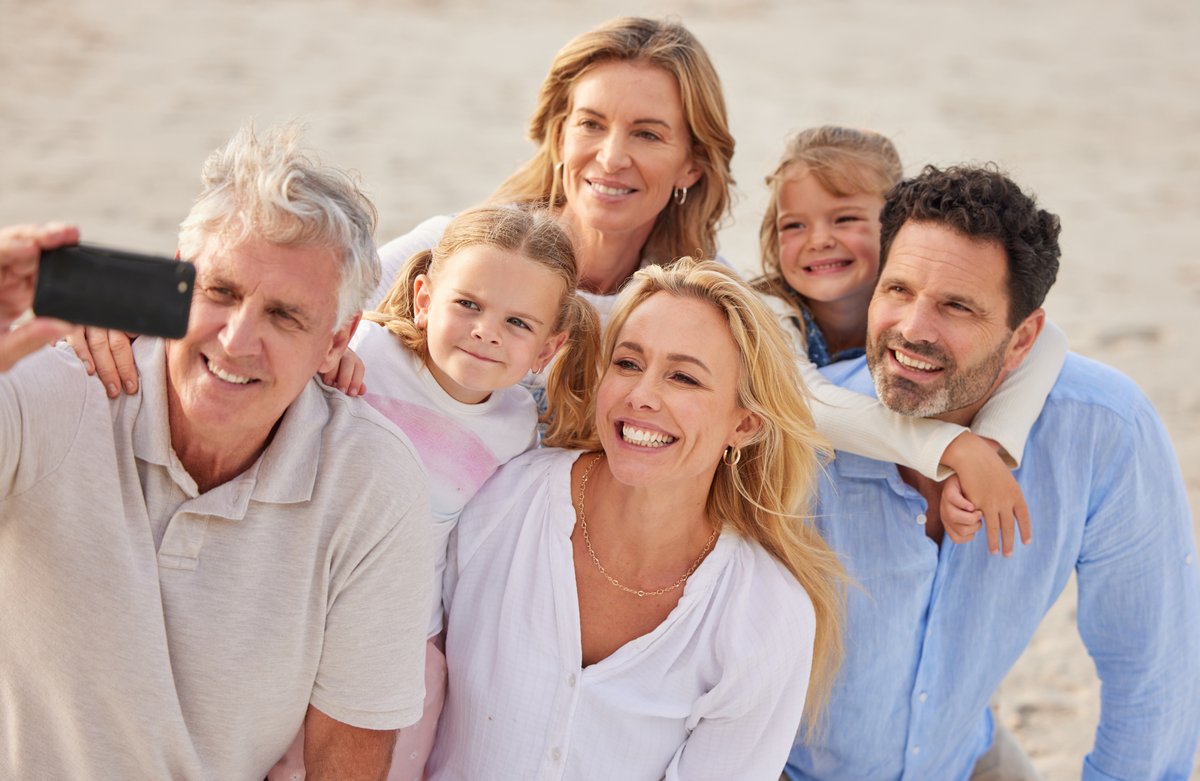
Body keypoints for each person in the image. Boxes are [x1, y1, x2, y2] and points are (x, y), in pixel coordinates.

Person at [0, 124, 433, 780]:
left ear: (337, 338)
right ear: (179, 274)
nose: (235, 340)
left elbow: (348, 761)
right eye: (220, 292)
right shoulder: (55, 395)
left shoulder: (371, 482)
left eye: (285, 315)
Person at [783, 164, 1200, 780]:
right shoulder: (799, 442)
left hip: (965, 762)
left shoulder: (1103, 431)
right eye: (898, 290)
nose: (912, 330)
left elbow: (1152, 667)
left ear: (1024, 339)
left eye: (956, 306)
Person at [427, 258, 844, 780]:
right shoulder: (498, 500)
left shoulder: (765, 614)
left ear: (745, 423)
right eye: (627, 363)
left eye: (684, 377)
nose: (640, 395)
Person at [267, 204, 599, 780]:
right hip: (296, 604)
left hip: (402, 638)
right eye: (467, 304)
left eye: (519, 323)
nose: (486, 331)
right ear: (424, 299)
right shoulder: (364, 357)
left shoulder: (519, 427)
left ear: (547, 350)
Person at [753, 126, 1070, 555]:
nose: (818, 239)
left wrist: (990, 450)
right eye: (793, 225)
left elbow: (1048, 341)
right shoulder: (767, 309)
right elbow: (799, 402)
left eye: (844, 218)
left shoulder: (912, 292)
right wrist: (953, 448)